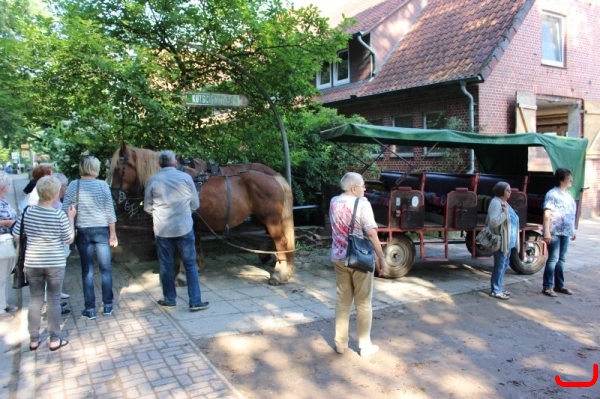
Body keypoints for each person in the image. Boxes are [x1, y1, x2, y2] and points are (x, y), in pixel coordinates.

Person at [13, 176, 76, 350]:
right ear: (55, 194)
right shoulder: (58, 215)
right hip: (55, 262)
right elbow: (69, 239)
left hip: (33, 262)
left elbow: (16, 234)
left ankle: (34, 339)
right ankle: (54, 339)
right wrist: (71, 218)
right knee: (54, 300)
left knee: (35, 300)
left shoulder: (27, 212)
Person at [329, 172, 386, 357]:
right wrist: (381, 257)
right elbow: (371, 233)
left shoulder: (334, 201)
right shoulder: (362, 203)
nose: (365, 188)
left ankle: (340, 343)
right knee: (363, 302)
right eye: (362, 186)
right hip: (359, 258)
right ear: (354, 189)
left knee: (342, 301)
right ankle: (365, 345)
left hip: (339, 257)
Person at [144, 150, 208, 312]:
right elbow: (195, 204)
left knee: (165, 265)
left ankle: (169, 299)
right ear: (175, 162)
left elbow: (147, 207)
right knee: (190, 265)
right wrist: (184, 213)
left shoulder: (153, 180)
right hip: (184, 227)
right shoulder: (186, 178)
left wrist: (159, 214)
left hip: (162, 230)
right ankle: (195, 301)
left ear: (159, 164)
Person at [62, 156, 118, 319]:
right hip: (102, 231)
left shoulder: (74, 185)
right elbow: (110, 210)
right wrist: (113, 233)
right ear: (95, 168)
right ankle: (108, 306)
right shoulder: (102, 185)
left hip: (83, 232)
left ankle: (90, 309)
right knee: (105, 269)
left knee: (87, 271)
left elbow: (66, 209)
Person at [541, 168, 577, 297]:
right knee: (553, 258)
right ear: (561, 179)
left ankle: (560, 284)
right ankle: (547, 286)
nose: (571, 180)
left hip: (566, 231)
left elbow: (571, 214)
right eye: (568, 178)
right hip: (555, 231)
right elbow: (547, 213)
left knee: (562, 259)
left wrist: (573, 230)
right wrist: (546, 232)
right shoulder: (552, 194)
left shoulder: (568, 195)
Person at [487, 181, 519, 300]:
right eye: (507, 190)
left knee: (504, 264)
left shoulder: (504, 202)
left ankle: (499, 287)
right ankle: (496, 290)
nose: (510, 192)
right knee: (500, 265)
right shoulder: (496, 203)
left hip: (508, 241)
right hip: (501, 240)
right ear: (501, 191)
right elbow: (494, 222)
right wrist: (505, 214)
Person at [0, 172, 18, 320]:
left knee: (5, 276)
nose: (9, 187)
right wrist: (6, 223)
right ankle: (0, 310)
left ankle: (4, 303)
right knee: (0, 277)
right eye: (7, 185)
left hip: (7, 242)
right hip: (1, 242)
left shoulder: (3, 200)